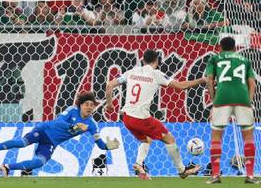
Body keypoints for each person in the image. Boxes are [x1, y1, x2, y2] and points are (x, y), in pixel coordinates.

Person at [106, 49, 205, 180]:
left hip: (126, 117)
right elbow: (181, 86)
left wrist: (109, 104)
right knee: (169, 139)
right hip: (141, 118)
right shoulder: (156, 74)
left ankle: (138, 164)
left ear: (143, 60)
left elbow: (109, 85)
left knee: (146, 139)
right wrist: (202, 80)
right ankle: (182, 171)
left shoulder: (132, 72)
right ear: (157, 61)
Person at [0, 92, 120, 176]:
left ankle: (7, 167)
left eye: (92, 105)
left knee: (40, 162)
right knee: (21, 143)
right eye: (86, 104)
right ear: (80, 105)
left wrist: (108, 146)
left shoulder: (92, 125)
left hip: (50, 143)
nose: (89, 107)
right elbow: (58, 122)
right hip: (44, 130)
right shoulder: (71, 110)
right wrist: (74, 126)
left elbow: (100, 144)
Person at [205, 37, 260, 184]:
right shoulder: (245, 60)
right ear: (235, 47)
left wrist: (214, 99)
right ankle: (250, 175)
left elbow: (209, 80)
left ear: (220, 47)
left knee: (216, 137)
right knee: (248, 137)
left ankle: (215, 175)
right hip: (242, 99)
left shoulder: (215, 59)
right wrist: (248, 100)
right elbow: (252, 83)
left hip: (222, 99)